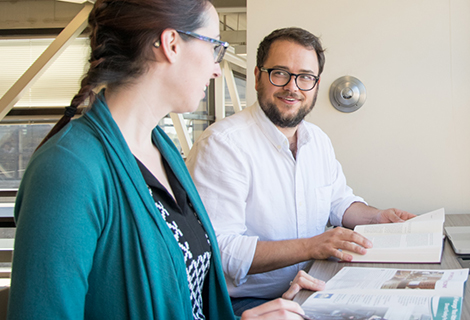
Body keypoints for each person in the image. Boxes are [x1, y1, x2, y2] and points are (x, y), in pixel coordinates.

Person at [8, 1, 309, 319]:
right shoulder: (67, 169)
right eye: (215, 47)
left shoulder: (162, 149)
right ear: (171, 44)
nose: (217, 68)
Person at [186, 27, 416, 314]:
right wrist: (312, 246)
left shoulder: (317, 140)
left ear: (316, 85)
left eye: (305, 77)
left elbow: (338, 202)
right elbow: (221, 251)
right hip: (248, 305)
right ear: (257, 77)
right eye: (280, 73)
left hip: (313, 286)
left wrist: (379, 217)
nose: (293, 87)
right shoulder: (223, 144)